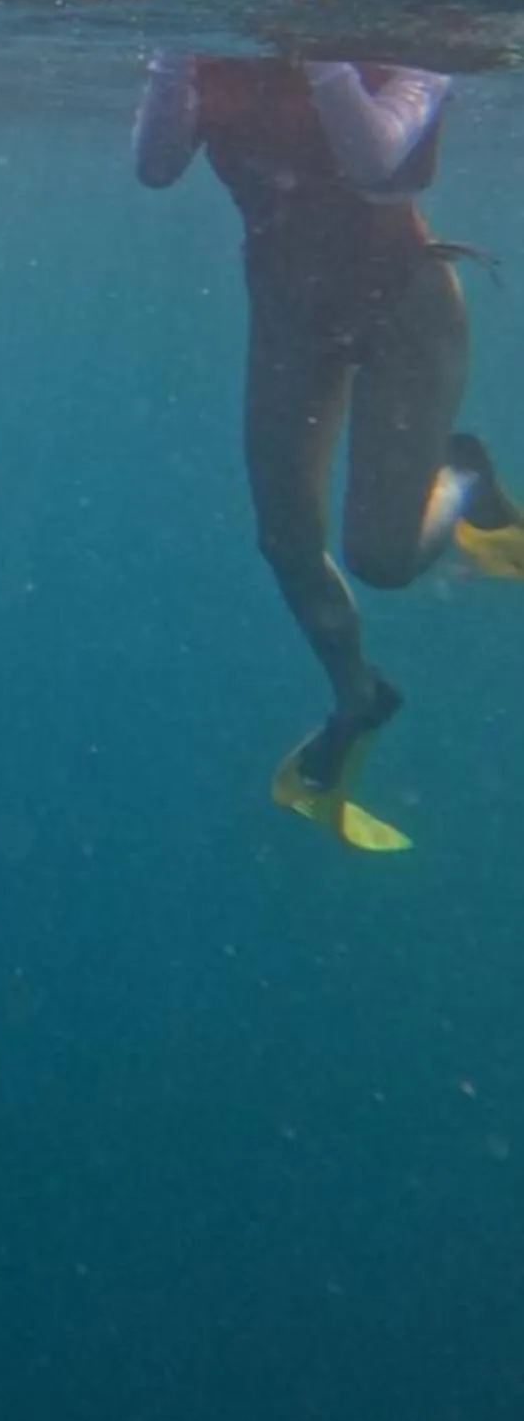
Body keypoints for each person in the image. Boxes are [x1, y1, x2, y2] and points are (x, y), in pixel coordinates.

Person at [135, 50, 524, 849]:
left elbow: (381, 167)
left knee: (381, 559)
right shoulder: (219, 58)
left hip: (405, 309)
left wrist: (325, 62)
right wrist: (171, 61)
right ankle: (357, 697)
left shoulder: (411, 49)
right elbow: (155, 168)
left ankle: (462, 472)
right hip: (288, 316)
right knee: (283, 539)